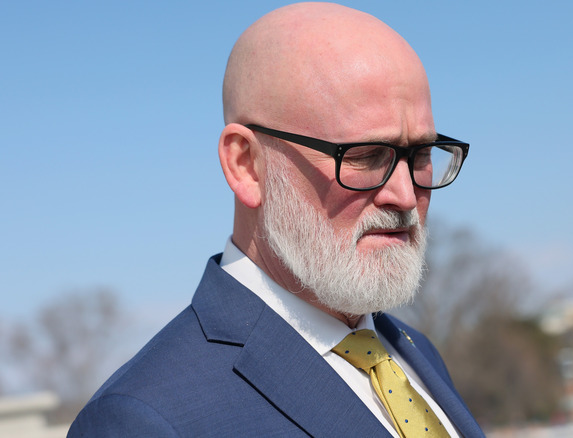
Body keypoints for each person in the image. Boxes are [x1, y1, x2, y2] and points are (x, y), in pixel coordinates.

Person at [69, 2, 485, 437]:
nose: (403, 194)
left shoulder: (412, 353)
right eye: (364, 156)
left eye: (419, 154)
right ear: (246, 164)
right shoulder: (146, 419)